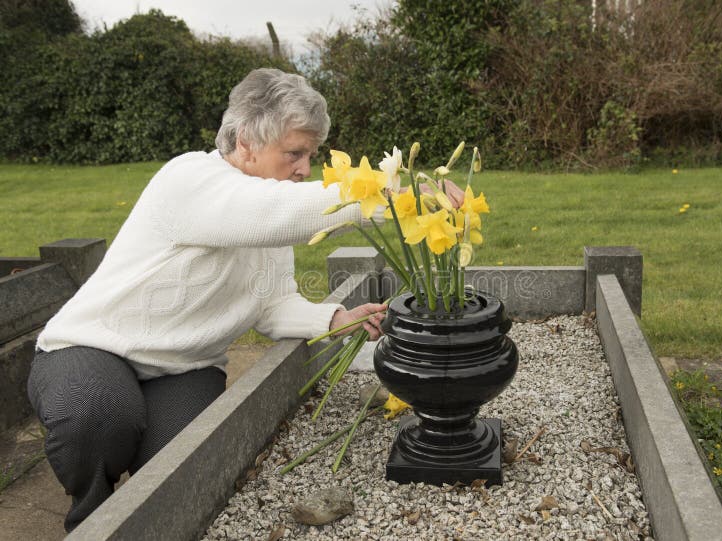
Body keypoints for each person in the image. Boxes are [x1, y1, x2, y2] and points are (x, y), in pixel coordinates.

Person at [27, 68, 462, 532]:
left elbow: (271, 305)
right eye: (294, 153)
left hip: (183, 367)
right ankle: (91, 518)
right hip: (90, 349)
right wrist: (390, 192)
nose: (303, 169)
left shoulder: (267, 215)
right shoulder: (190, 179)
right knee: (100, 414)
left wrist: (335, 317)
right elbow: (267, 214)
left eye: (309, 155)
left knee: (186, 469)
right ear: (247, 142)